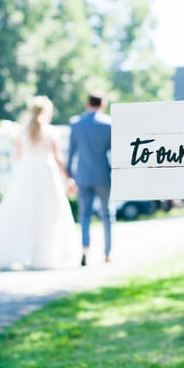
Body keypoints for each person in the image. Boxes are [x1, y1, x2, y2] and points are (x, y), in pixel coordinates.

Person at [0, 95, 81, 270]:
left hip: (28, 176)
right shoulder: (51, 132)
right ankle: (44, 256)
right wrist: (68, 178)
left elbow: (18, 157)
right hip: (46, 175)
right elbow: (58, 159)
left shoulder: (22, 133)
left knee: (21, 212)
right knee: (48, 214)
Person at [67, 92, 113, 266]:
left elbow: (70, 154)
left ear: (88, 104)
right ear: (103, 105)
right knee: (107, 214)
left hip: (83, 176)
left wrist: (70, 177)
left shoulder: (76, 124)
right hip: (103, 175)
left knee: (84, 215)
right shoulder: (108, 124)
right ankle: (107, 253)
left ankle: (85, 249)